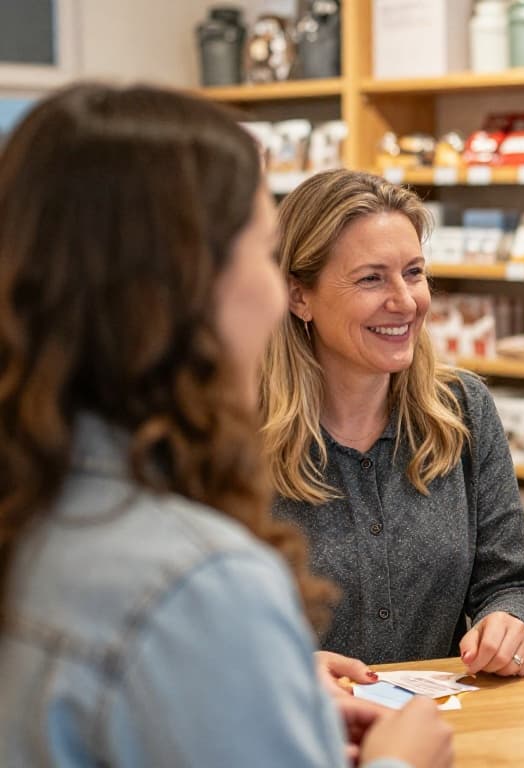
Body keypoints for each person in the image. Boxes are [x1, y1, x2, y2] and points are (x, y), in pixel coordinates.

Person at [0, 84, 453, 767]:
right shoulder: (198, 579)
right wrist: (402, 761)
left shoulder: (35, 505)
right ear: (188, 287)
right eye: (261, 251)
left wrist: (256, 691)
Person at [260, 170, 524, 672]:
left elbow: (513, 584)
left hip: (439, 733)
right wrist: (282, 673)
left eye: (414, 272)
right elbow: (188, 626)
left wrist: (513, 622)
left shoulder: (463, 410)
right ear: (298, 295)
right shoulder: (239, 432)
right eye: (372, 278)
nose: (405, 300)